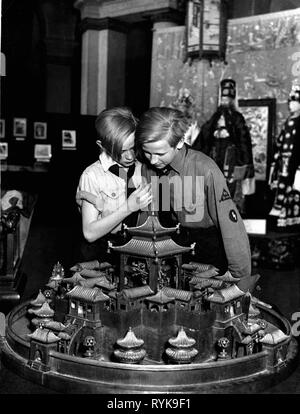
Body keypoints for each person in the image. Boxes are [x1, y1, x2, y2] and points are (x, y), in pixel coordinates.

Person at [135, 107, 253, 289]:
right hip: (175, 245)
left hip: (210, 249)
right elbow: (152, 215)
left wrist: (240, 279)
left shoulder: (205, 169)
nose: (152, 160)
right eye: (147, 152)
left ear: (180, 141)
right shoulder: (149, 167)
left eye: (159, 153)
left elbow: (231, 228)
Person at [76, 107, 152, 262]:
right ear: (102, 145)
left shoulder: (143, 168)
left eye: (133, 147)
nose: (130, 156)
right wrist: (129, 207)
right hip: (102, 255)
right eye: (122, 151)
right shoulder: (92, 176)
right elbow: (89, 233)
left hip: (136, 253)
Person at [192, 79, 255, 215]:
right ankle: (213, 214)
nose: (225, 101)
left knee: (230, 186)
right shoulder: (216, 116)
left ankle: (230, 215)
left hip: (230, 155)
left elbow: (244, 140)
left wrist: (245, 162)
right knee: (213, 184)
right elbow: (205, 133)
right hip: (215, 154)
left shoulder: (237, 117)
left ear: (232, 100)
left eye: (227, 99)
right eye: (223, 98)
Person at [268, 83, 300, 229]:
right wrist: (276, 160)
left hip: (296, 163)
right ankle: (282, 219)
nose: (291, 105)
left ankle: (294, 219)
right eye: (290, 101)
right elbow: (280, 142)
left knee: (293, 190)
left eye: (295, 101)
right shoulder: (288, 122)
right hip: (284, 162)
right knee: (282, 188)